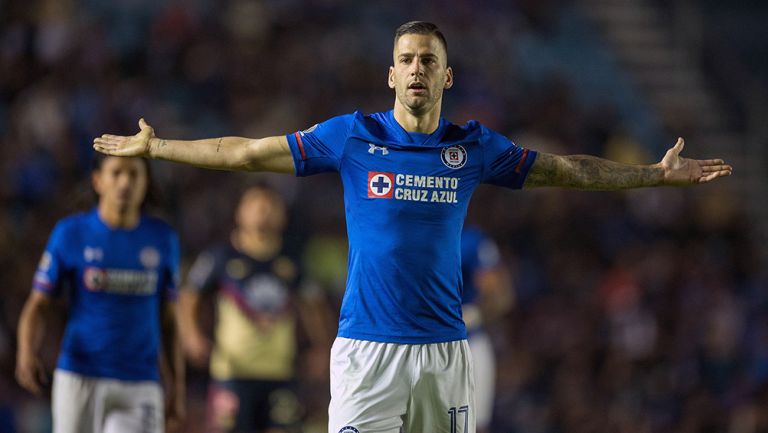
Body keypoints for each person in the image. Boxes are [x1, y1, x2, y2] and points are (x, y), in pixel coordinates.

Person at [93, 21, 732, 433]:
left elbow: (566, 170)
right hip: (368, 348)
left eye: (429, 59)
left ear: (446, 75)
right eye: (407, 59)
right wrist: (158, 149)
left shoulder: (473, 146)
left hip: (445, 350)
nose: (418, 68)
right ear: (391, 74)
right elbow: (245, 151)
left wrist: (649, 174)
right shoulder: (352, 137)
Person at [15, 154, 185, 433]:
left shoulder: (163, 239)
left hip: (141, 380)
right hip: (81, 374)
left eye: (134, 174)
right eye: (116, 173)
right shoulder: (71, 233)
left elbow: (169, 319)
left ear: (146, 183)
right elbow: (39, 303)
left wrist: (177, 386)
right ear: (97, 181)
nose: (125, 182)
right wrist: (26, 350)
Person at [178, 183, 331, 433]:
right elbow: (189, 295)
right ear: (240, 212)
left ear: (283, 215)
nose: (264, 211)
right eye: (256, 204)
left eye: (271, 205)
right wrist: (190, 335)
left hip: (280, 374)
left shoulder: (292, 261)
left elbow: (313, 304)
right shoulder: (221, 257)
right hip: (232, 373)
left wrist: (322, 346)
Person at [460, 226, 511, 433]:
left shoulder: (471, 240)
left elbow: (500, 294)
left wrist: (474, 313)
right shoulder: (411, 231)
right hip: (420, 342)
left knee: (475, 425)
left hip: (470, 342)